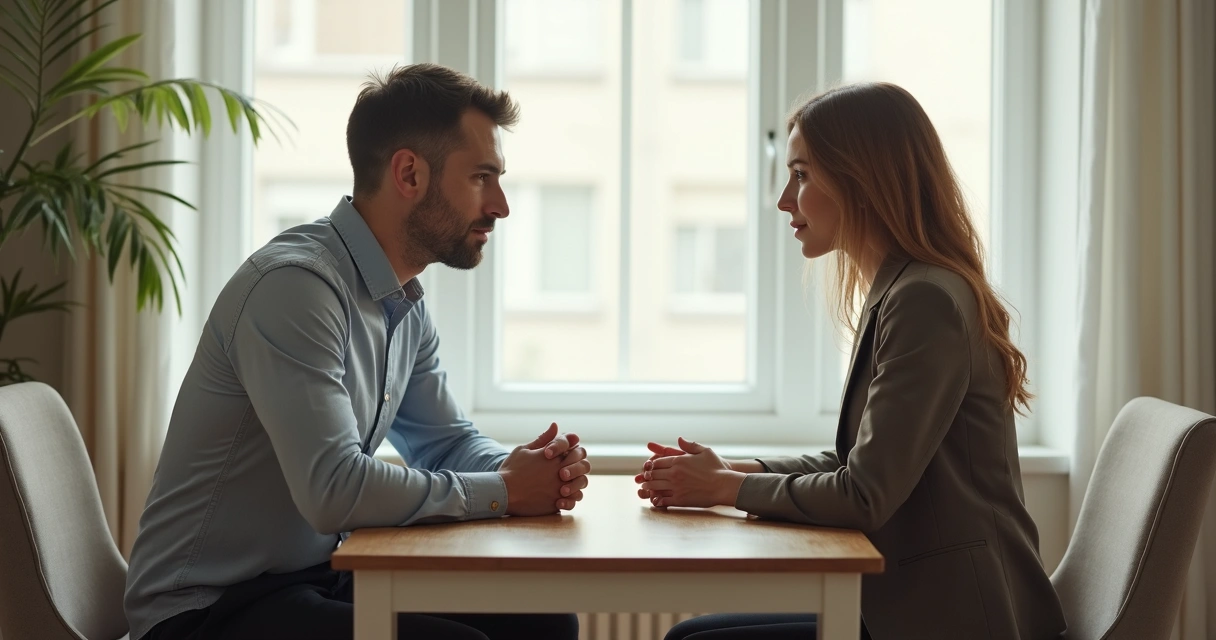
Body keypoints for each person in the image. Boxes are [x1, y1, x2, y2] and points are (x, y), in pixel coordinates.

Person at [125, 63, 585, 640]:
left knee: (541, 622)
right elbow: (333, 489)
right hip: (203, 611)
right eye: (481, 178)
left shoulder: (403, 301)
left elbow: (442, 441)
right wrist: (505, 492)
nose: (500, 205)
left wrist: (522, 470)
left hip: (312, 578)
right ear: (409, 173)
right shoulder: (295, 288)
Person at [636, 83, 1067, 640]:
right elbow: (860, 462)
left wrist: (722, 489)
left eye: (801, 175)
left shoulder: (924, 299)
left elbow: (863, 494)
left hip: (955, 616)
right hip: (911, 599)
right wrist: (737, 473)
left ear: (862, 179)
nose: (784, 200)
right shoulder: (906, 288)